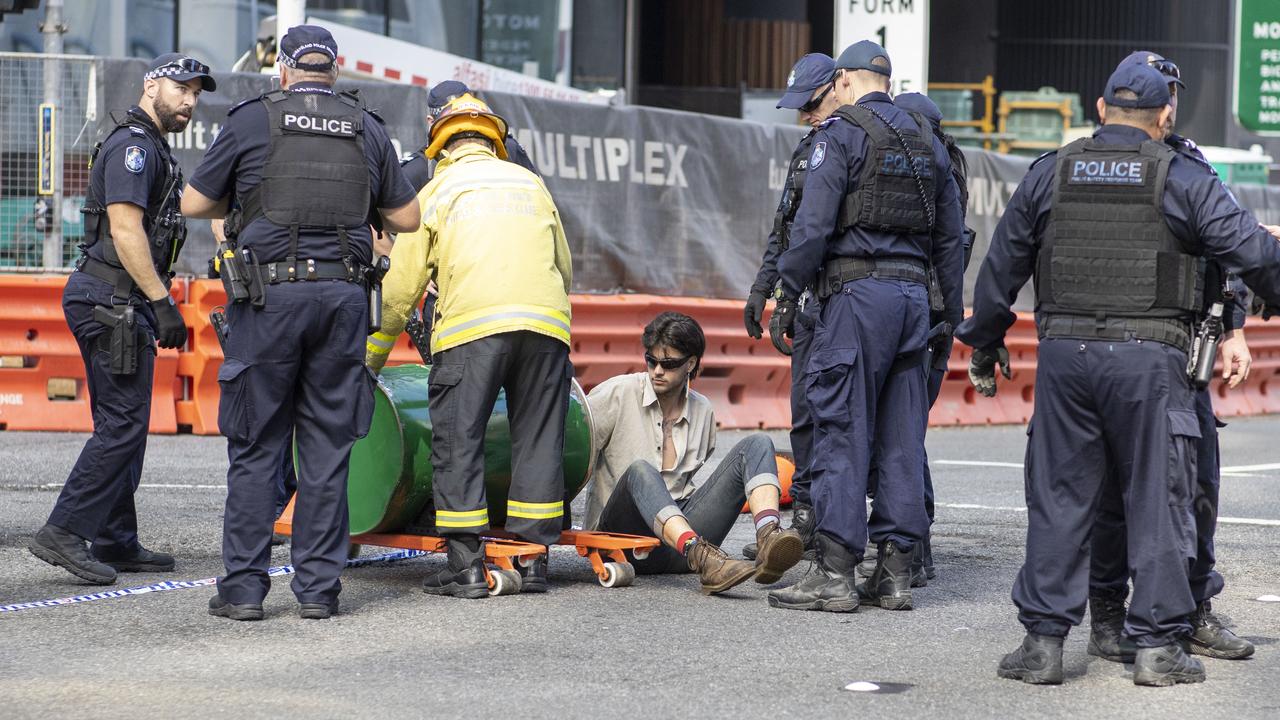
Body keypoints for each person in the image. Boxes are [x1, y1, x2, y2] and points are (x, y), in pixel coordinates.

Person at [957, 63, 1280, 687]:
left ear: (1102, 107)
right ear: (1165, 115)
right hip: (1151, 361)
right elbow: (1251, 251)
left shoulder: (1052, 171)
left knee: (1059, 496)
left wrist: (987, 338)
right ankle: (1157, 648)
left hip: (1065, 358)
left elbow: (1000, 268)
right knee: (1158, 497)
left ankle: (1044, 645)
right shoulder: (1182, 176)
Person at [182, 25, 420, 620]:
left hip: (269, 301)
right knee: (325, 450)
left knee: (257, 445)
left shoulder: (251, 119)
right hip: (341, 302)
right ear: (334, 70)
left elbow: (193, 202)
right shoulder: (365, 126)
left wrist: (239, 204)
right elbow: (407, 216)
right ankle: (318, 591)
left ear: (282, 70)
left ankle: (242, 591)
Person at [766, 41, 965, 614]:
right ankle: (895, 573)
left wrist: (785, 291)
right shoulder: (927, 139)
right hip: (914, 302)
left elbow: (811, 228)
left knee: (842, 429)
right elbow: (951, 240)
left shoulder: (842, 134)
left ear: (847, 81)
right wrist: (947, 312)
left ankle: (834, 571)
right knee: (902, 437)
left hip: (856, 298)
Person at [365, 93, 572, 598]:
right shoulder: (532, 185)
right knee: (539, 441)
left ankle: (466, 566)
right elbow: (564, 266)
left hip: (472, 330)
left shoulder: (439, 189)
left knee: (459, 441)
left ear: (441, 144)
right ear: (495, 142)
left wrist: (371, 357)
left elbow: (401, 288)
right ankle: (532, 560)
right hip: (547, 326)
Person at [1087, 51, 1256, 665]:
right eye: (1165, 93)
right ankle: (1109, 614)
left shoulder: (1190, 164)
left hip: (1182, 350)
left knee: (1196, 487)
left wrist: (1234, 330)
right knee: (1113, 494)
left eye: (1174, 92)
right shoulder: (1091, 162)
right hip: (1116, 349)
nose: (1171, 103)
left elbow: (1223, 258)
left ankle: (1190, 610)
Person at [27, 54, 215, 585]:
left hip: (118, 299)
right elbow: (126, 230)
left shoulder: (152, 146)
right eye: (182, 89)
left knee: (125, 424)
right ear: (151, 84)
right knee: (123, 425)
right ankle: (64, 530)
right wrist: (161, 301)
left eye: (197, 93)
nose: (190, 101)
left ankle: (115, 538)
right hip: (113, 300)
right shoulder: (133, 147)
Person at [586, 312, 804, 595]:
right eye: (651, 361)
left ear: (691, 363)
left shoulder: (703, 411)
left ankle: (767, 538)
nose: (657, 371)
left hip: (675, 545)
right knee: (641, 471)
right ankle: (701, 555)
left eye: (669, 363)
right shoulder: (617, 392)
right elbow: (573, 452)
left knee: (758, 444)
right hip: (620, 541)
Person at [741, 53, 839, 565]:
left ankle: (853, 529)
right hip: (806, 300)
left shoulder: (846, 147)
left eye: (811, 103)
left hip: (841, 301)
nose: (804, 114)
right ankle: (803, 514)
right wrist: (763, 289)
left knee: (836, 420)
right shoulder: (808, 152)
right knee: (803, 412)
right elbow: (786, 229)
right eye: (798, 105)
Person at [399, 79, 538, 193]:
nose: (464, 130)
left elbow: (539, 191)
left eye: (467, 117)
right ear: (431, 122)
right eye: (452, 121)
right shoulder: (417, 169)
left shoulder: (507, 148)